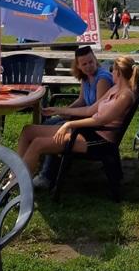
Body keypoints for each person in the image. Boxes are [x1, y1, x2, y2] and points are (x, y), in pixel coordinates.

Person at [17, 54, 139, 189]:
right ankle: (14, 176)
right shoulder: (115, 89)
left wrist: (69, 124)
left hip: (99, 140)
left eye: (113, 70)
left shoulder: (125, 96)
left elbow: (100, 120)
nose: (111, 73)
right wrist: (60, 110)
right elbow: (90, 110)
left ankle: (21, 185)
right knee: (28, 131)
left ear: (118, 72)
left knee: (38, 143)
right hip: (88, 131)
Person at [30, 45, 113, 189]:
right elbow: (82, 100)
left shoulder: (102, 79)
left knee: (57, 129)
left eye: (91, 62)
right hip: (84, 117)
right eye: (84, 64)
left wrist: (66, 112)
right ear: (78, 66)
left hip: (94, 125)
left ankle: (47, 176)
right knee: (48, 124)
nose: (88, 66)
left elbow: (97, 111)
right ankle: (41, 162)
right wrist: (67, 111)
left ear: (95, 60)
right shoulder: (86, 77)